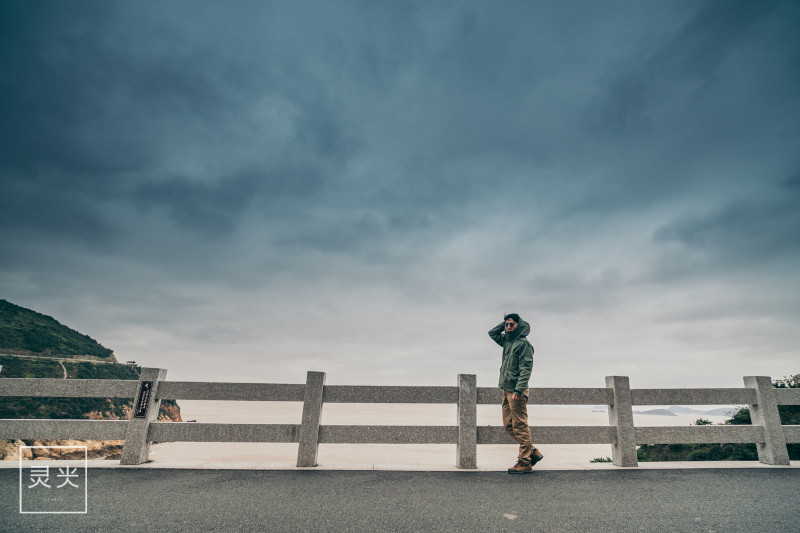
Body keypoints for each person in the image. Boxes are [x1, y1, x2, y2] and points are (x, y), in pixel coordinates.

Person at [489, 313, 543, 474]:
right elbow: (492, 333)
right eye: (506, 324)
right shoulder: (507, 341)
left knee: (520, 425)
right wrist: (504, 324)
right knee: (508, 425)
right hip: (506, 389)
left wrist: (519, 390)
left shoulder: (523, 344)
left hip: (516, 391)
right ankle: (532, 451)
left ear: (519, 325)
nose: (508, 327)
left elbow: (526, 369)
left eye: (512, 324)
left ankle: (525, 461)